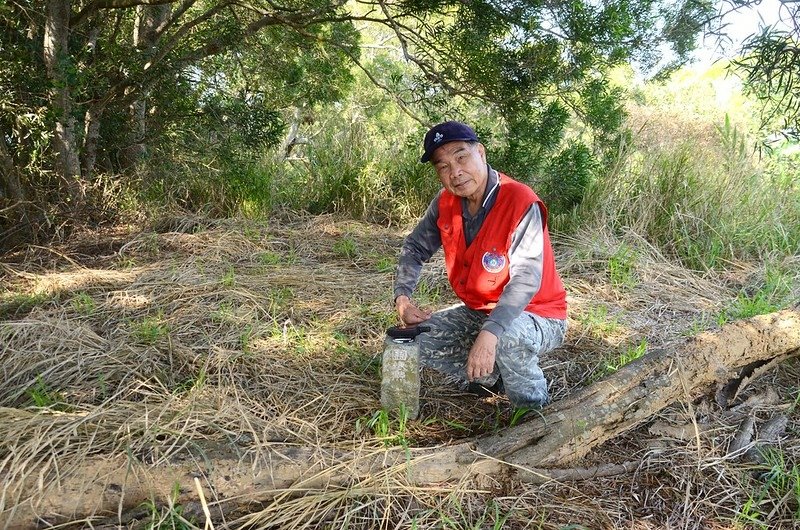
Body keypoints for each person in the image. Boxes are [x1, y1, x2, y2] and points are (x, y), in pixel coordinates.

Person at [393, 121, 567, 409]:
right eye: (443, 166)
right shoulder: (446, 202)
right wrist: (403, 298)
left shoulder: (520, 200)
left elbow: (525, 278)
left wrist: (490, 333)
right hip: (480, 311)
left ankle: (534, 415)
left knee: (507, 338)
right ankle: (491, 378)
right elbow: (414, 247)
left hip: (537, 314)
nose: (455, 172)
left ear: (481, 153)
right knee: (408, 340)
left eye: (461, 157)